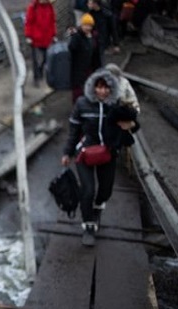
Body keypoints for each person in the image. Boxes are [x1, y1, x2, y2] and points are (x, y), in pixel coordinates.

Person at [61, 68, 140, 246]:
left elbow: (134, 126)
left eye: (106, 88)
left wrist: (131, 123)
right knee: (87, 190)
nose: (102, 91)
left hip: (108, 153)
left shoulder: (116, 105)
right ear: (93, 87)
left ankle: (98, 207)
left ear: (112, 89)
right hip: (85, 153)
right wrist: (67, 152)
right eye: (99, 87)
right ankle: (88, 225)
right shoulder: (82, 104)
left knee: (105, 190)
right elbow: (73, 131)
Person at [69, 13, 102, 103]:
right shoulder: (77, 36)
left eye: (89, 25)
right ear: (81, 25)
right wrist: (74, 36)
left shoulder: (93, 36)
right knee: (78, 90)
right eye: (85, 25)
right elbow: (72, 48)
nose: (87, 28)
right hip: (78, 68)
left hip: (89, 66)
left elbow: (96, 52)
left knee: (90, 86)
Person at [24, 0, 57, 87]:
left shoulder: (49, 7)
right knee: (36, 60)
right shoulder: (33, 7)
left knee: (46, 59)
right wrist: (28, 36)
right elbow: (29, 22)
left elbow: (52, 21)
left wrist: (53, 34)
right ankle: (36, 78)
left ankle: (41, 73)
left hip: (47, 38)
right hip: (36, 39)